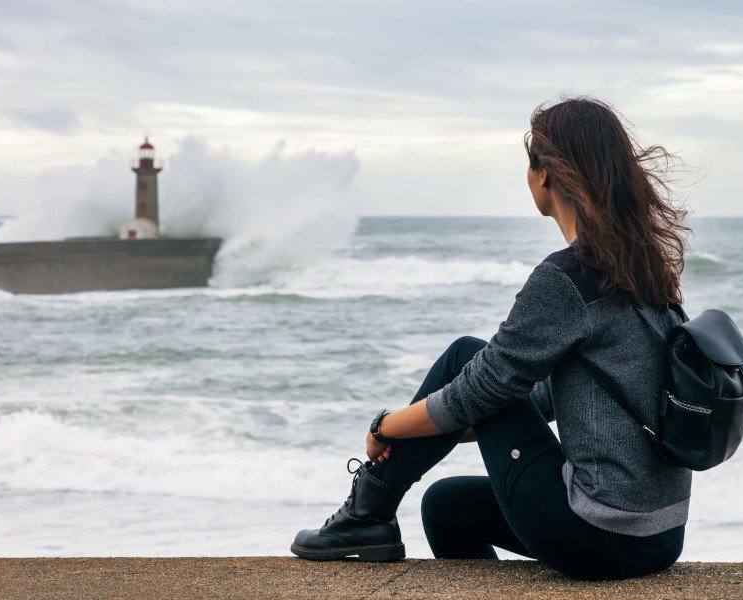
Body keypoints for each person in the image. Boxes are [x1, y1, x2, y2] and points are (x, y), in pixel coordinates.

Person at [291, 97, 692, 580]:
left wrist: (385, 427)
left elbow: (481, 388)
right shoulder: (644, 268)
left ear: (543, 174)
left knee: (466, 354)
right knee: (446, 505)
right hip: (660, 536)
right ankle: (371, 516)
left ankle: (367, 513)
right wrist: (441, 430)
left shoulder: (568, 277)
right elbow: (550, 396)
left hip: (600, 533)